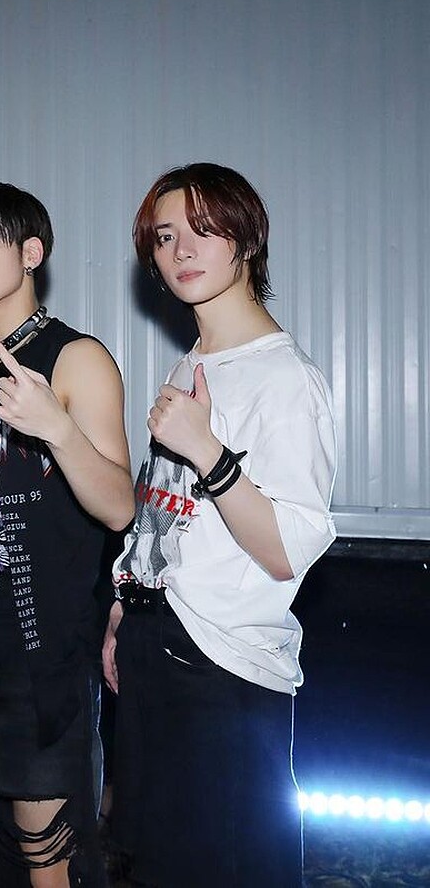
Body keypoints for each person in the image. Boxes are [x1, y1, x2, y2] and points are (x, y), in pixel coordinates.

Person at [102, 163, 337, 887]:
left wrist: (208, 450)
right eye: (165, 236)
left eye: (203, 230)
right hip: (156, 642)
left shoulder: (284, 379)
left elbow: (286, 551)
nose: (181, 250)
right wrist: (125, 603)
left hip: (224, 667)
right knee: (153, 865)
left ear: (247, 238)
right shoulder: (194, 363)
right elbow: (167, 509)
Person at [0, 183, 134, 887]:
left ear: (32, 252)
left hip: (40, 650)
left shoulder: (76, 358)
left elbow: (119, 507)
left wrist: (58, 429)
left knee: (50, 856)